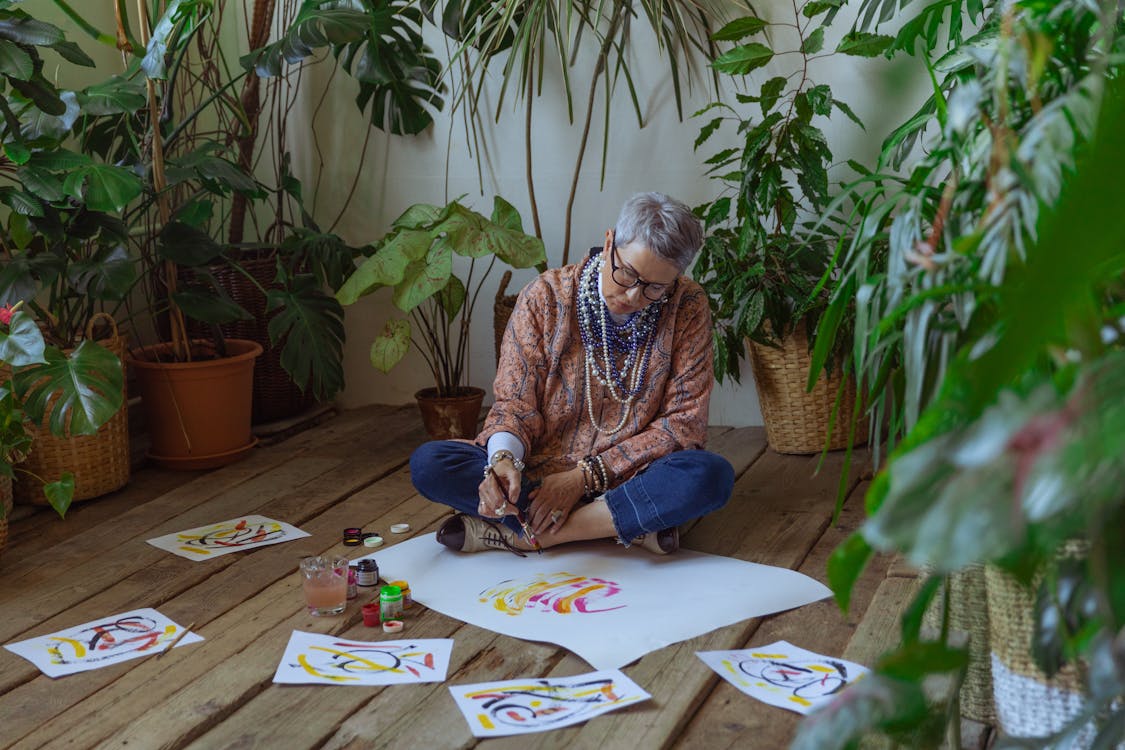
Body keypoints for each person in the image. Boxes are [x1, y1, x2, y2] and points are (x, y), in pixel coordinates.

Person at [409, 192, 735, 556]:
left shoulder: (687, 306)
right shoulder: (545, 297)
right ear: (610, 241)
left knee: (709, 476)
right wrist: (502, 463)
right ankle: (622, 525)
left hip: (629, 475)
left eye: (654, 288)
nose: (632, 294)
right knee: (430, 464)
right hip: (536, 472)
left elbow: (682, 425)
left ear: (675, 279)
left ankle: (528, 535)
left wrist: (583, 478)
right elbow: (515, 404)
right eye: (626, 273)